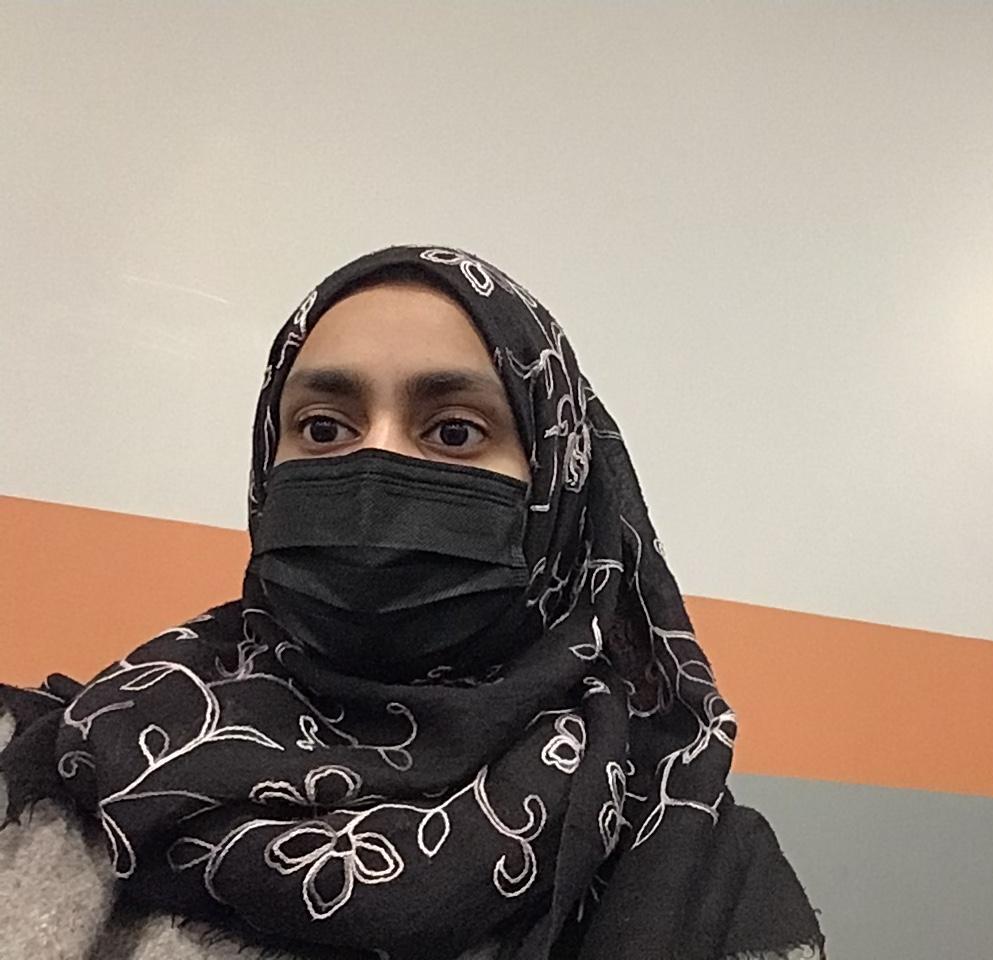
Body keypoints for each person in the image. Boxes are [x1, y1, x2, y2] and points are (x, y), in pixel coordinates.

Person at [0, 246, 824, 960]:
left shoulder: (698, 861)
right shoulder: (82, 751)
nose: (374, 470)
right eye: (324, 428)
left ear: (559, 491)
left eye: (454, 431)